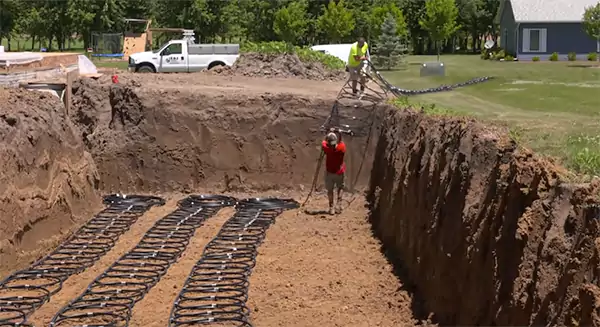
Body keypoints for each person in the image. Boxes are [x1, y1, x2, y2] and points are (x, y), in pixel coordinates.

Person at [321, 128, 346, 215]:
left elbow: (324, 142)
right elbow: (340, 141)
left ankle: (331, 207)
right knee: (340, 187)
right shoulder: (341, 148)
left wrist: (329, 132)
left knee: (330, 190)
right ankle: (338, 205)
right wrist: (339, 133)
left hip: (330, 173)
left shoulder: (327, 148)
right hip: (339, 172)